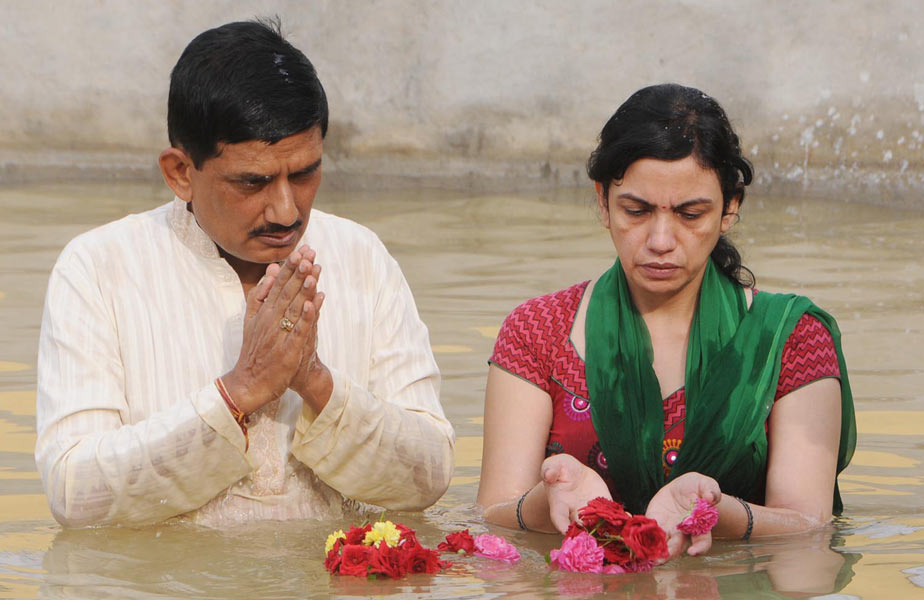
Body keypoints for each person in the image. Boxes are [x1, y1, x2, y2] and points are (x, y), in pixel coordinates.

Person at [34, 19, 455, 528]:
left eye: (304, 173)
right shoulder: (99, 268)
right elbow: (76, 496)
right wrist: (240, 392)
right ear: (181, 173)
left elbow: (427, 478)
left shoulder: (360, 256)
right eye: (252, 182)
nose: (284, 210)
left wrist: (316, 384)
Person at [476, 83, 856, 559]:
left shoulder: (792, 339)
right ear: (602, 200)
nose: (660, 240)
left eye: (690, 214)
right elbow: (494, 514)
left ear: (730, 207)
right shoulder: (537, 331)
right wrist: (548, 497)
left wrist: (714, 512)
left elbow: (808, 525)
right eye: (635, 210)